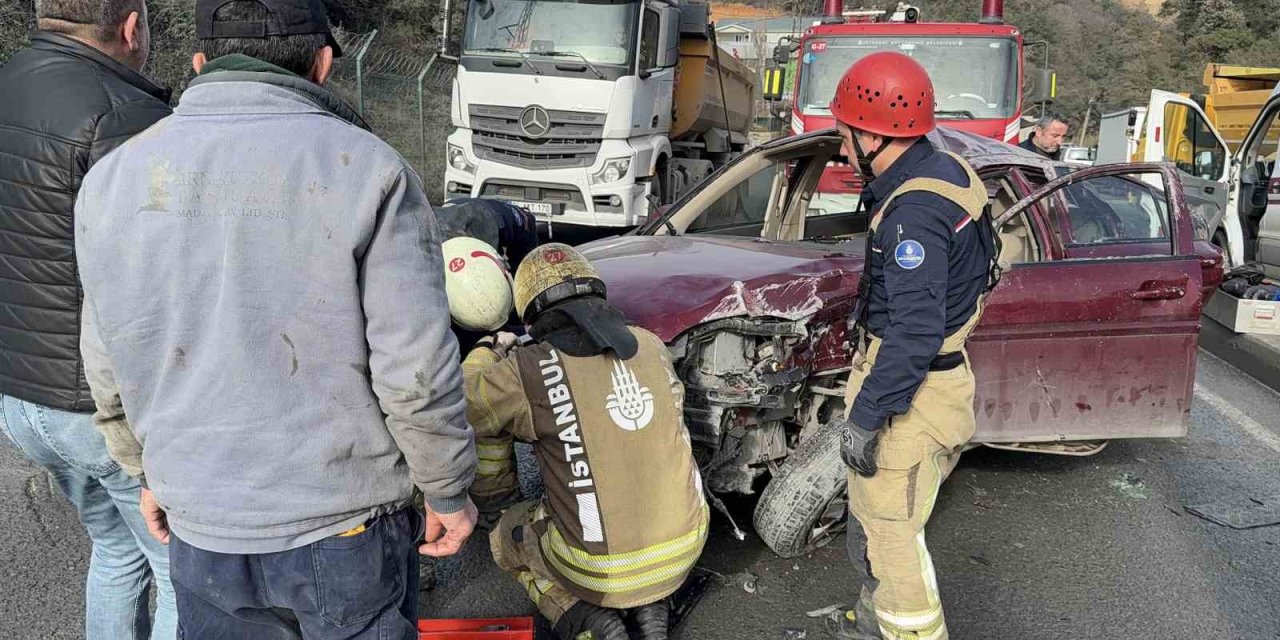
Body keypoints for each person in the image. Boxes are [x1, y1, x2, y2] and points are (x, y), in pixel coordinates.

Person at [73, 0, 478, 637]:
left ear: (201, 61)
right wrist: (447, 489)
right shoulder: (370, 170)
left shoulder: (113, 178)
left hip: (202, 522)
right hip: (343, 523)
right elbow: (415, 370)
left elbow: (108, 359)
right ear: (321, 64)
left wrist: (146, 472)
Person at [0, 1, 176, 637]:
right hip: (101, 406)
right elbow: (163, 278)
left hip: (20, 395)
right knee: (177, 564)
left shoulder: (9, 80)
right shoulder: (128, 116)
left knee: (118, 551)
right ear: (132, 26)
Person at [826, 53, 997, 640]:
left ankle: (907, 630)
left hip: (911, 394)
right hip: (941, 380)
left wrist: (867, 416)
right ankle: (873, 623)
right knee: (876, 522)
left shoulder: (914, 216)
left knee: (891, 532)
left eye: (845, 135)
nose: (842, 150)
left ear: (873, 133)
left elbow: (914, 333)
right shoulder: (947, 171)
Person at [460, 243, 708, 640]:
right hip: (687, 546)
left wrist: (487, 350)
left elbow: (464, 402)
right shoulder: (649, 344)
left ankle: (583, 619)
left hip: (598, 568)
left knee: (508, 537)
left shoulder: (527, 367)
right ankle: (650, 606)